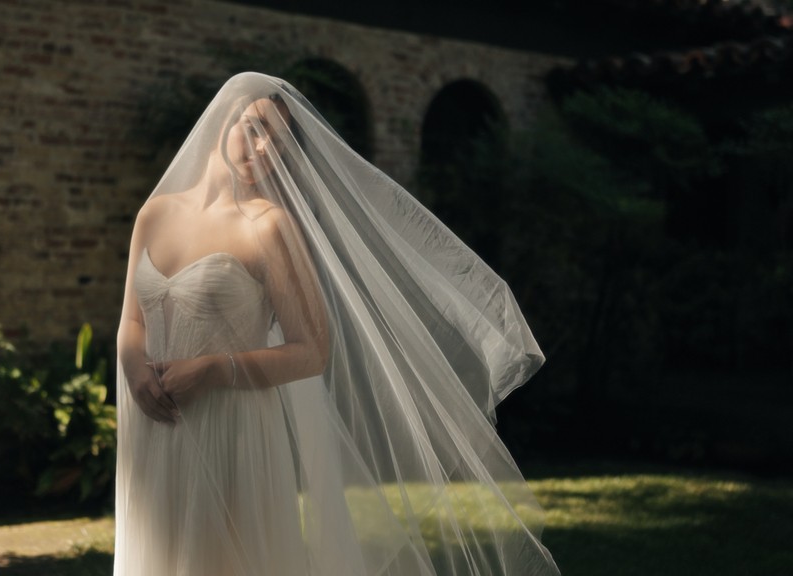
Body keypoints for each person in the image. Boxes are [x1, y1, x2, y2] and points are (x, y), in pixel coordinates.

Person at [115, 72, 560, 576]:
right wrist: (134, 369)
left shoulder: (269, 226)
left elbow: (311, 351)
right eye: (255, 129)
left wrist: (213, 369)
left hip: (232, 428)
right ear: (223, 122)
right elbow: (132, 317)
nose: (262, 149)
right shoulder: (155, 214)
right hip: (154, 420)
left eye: (278, 144)